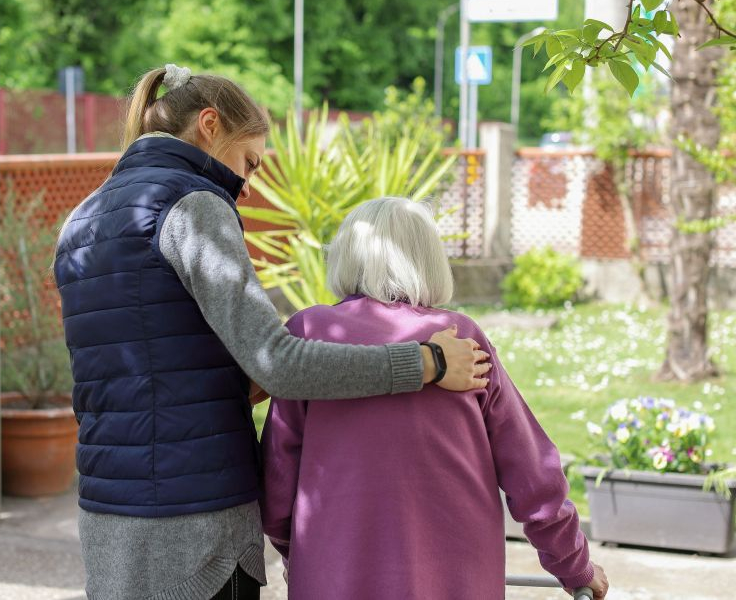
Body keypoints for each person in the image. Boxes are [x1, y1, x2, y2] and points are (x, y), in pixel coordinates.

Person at [53, 66, 491, 600]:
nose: (248, 183)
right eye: (248, 163)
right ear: (209, 125)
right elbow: (276, 361)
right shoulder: (194, 206)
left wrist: (233, 382)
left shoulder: (82, 220)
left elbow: (138, 368)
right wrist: (426, 363)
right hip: (200, 526)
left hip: (107, 512)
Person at [260, 197, 610, 600]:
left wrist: (298, 554)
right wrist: (574, 565)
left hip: (337, 574)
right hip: (456, 579)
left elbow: (278, 479)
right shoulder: (460, 339)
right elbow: (532, 474)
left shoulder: (310, 332)